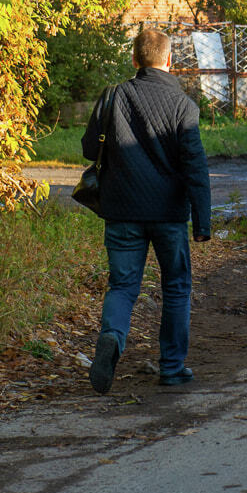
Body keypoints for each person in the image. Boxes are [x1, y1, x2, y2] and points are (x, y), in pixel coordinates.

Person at [81, 28, 211, 393]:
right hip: (169, 216)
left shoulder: (113, 97)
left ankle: (112, 339)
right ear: (169, 61)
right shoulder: (184, 106)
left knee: (122, 286)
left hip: (121, 211)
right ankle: (171, 367)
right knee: (176, 286)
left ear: (134, 60)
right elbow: (195, 166)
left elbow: (90, 149)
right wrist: (202, 221)